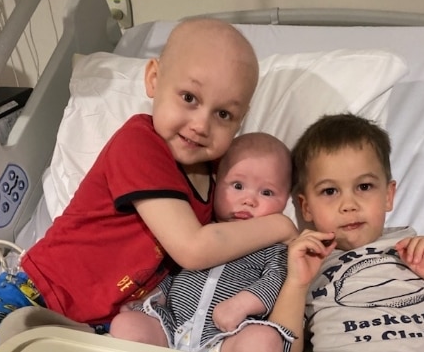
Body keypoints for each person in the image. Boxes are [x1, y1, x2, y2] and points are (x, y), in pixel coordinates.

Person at [0, 18, 298, 342]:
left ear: (240, 121)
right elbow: (193, 249)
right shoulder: (140, 144)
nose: (200, 124)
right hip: (41, 292)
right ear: (154, 78)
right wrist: (281, 226)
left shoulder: (219, 177)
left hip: (101, 325)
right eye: (189, 98)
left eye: (223, 114)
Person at [268, 114, 424, 352]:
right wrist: (297, 284)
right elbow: (280, 347)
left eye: (364, 187)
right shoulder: (305, 263)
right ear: (306, 207)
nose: (349, 205)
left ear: (388, 195)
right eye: (329, 191)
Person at [109, 132, 293, 352]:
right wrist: (155, 296)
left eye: (267, 192)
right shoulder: (199, 229)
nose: (249, 200)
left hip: (227, 336)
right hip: (172, 329)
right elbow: (173, 272)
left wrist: (243, 304)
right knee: (126, 324)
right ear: (216, 183)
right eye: (237, 186)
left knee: (263, 339)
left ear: (286, 200)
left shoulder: (272, 246)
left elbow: (276, 280)